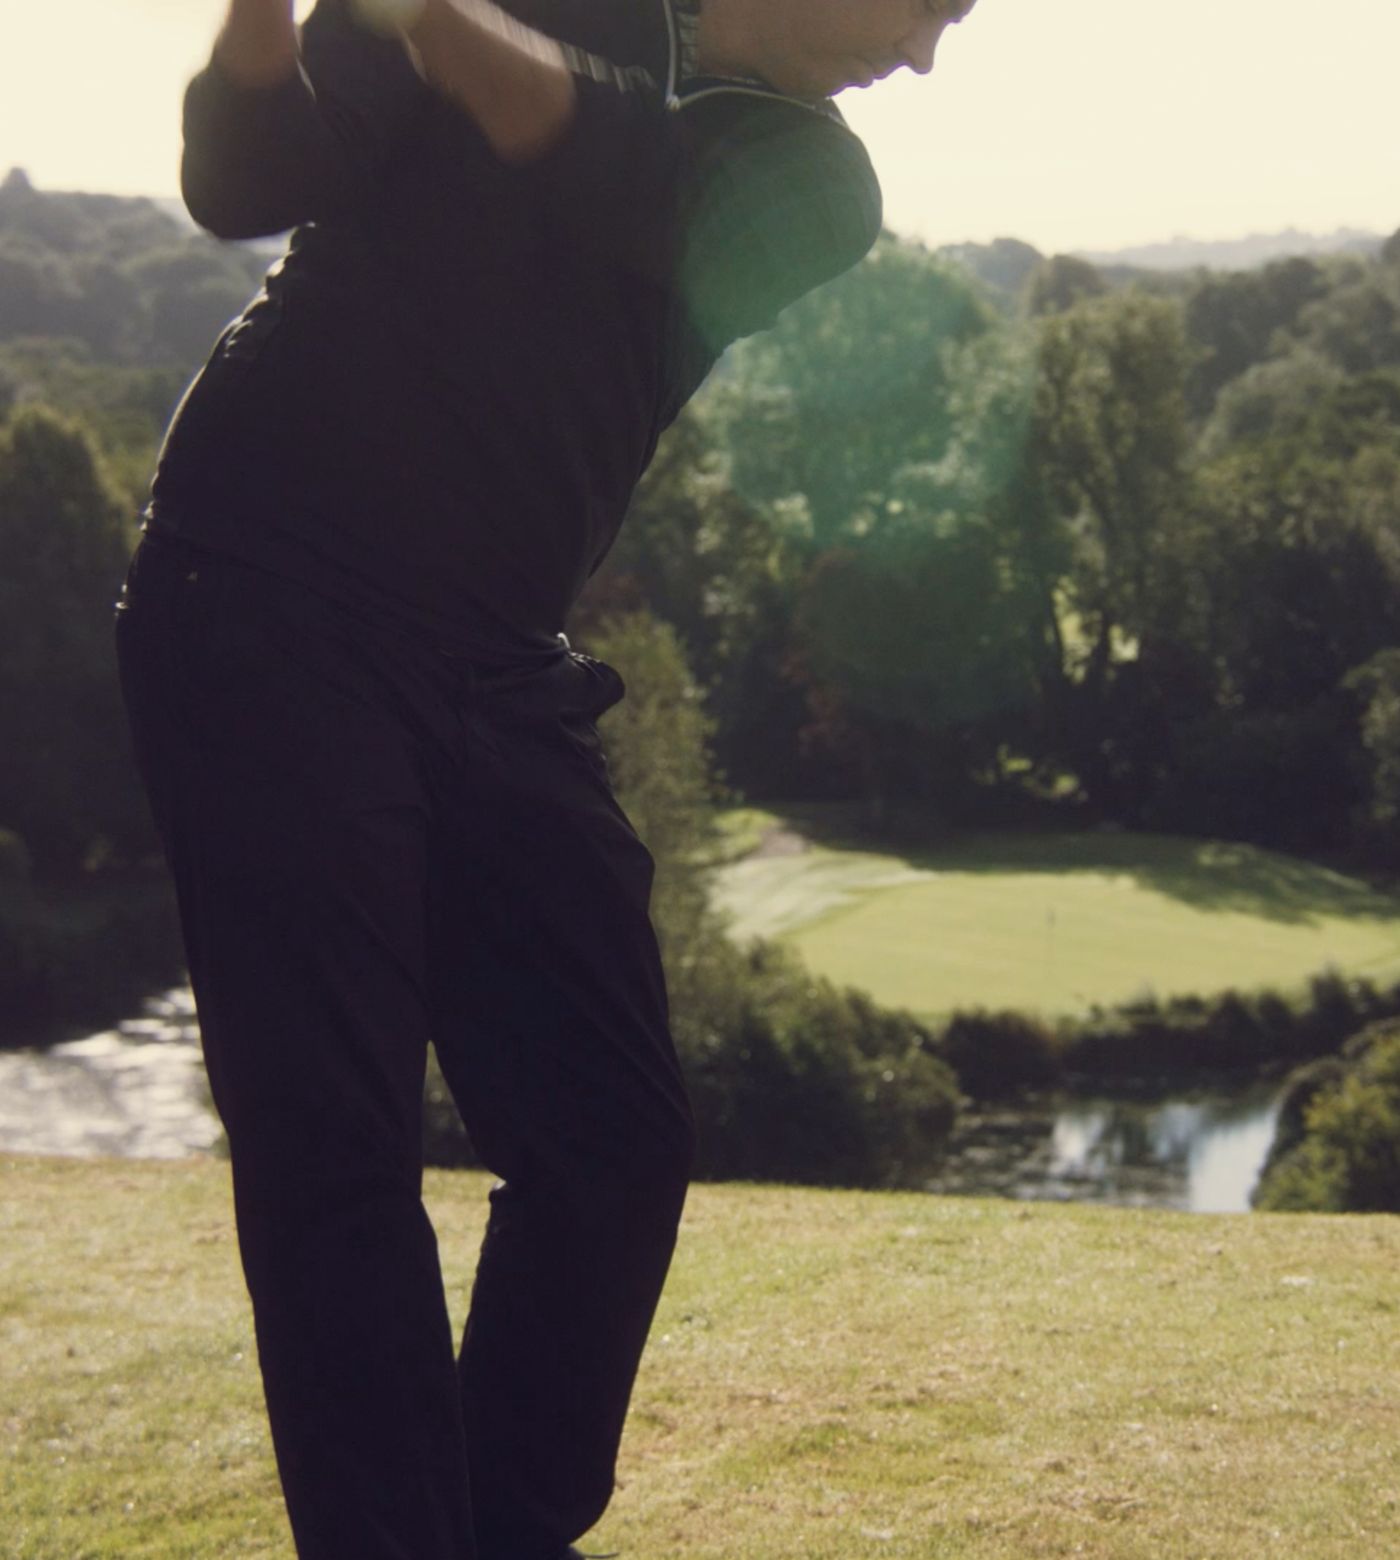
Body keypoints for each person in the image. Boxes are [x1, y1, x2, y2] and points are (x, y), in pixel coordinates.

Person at [114, 0, 977, 1555]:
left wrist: (435, 17)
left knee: (611, 1140)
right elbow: (251, 179)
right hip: (257, 592)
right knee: (336, 1152)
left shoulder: (817, 183)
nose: (922, 57)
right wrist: (261, 20)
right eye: (932, 5)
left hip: (494, 658)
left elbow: (625, 178)